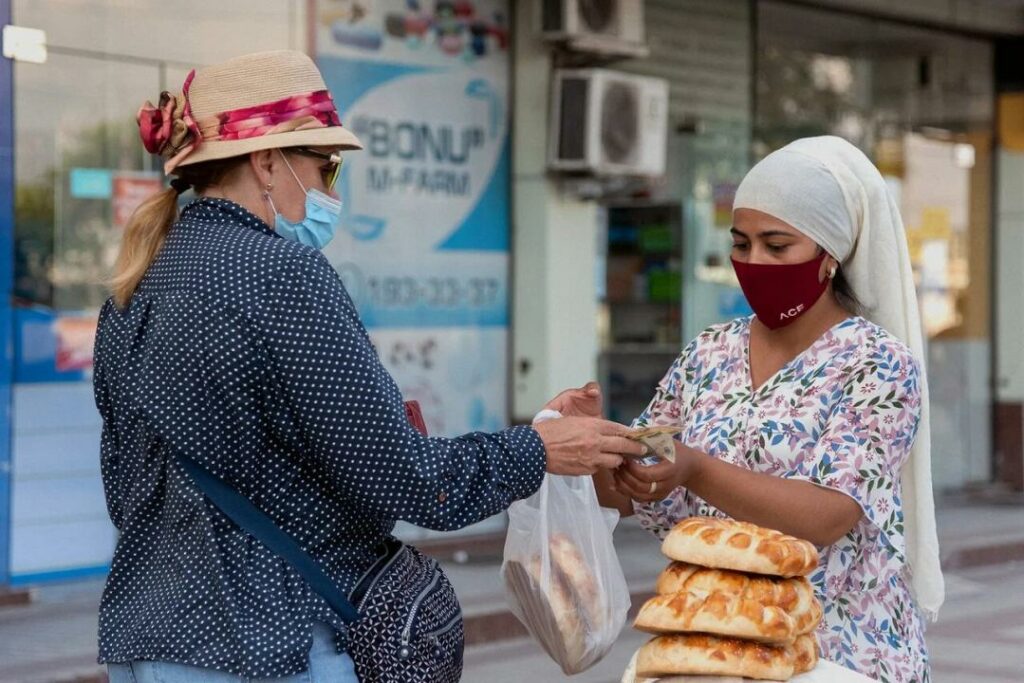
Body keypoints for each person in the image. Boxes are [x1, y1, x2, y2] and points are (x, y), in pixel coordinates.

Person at [93, 50, 646, 682]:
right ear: (266, 161)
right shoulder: (280, 273)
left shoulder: (136, 285)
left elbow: (129, 488)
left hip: (148, 642)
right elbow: (410, 482)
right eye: (325, 165)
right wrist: (540, 448)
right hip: (271, 644)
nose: (331, 191)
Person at [550, 137, 943, 683]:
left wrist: (696, 468)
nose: (754, 262)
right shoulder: (709, 352)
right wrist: (594, 441)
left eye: (777, 246)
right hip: (715, 646)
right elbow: (637, 483)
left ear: (830, 256)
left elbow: (830, 514)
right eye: (741, 243)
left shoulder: (876, 364)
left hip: (836, 650)